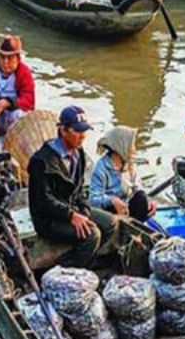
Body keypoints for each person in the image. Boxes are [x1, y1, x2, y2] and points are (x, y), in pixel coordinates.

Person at [28, 106, 118, 269]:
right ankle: (73, 270)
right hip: (49, 219)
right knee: (92, 235)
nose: (82, 136)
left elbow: (79, 189)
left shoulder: (78, 153)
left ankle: (83, 259)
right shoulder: (41, 161)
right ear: (63, 130)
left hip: (71, 209)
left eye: (84, 131)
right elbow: (43, 201)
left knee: (110, 223)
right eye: (77, 131)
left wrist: (83, 210)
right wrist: (71, 216)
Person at [90, 126, 155, 222]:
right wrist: (112, 200)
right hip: (109, 213)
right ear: (121, 146)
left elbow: (137, 188)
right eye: (131, 146)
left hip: (125, 208)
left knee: (142, 198)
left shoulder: (128, 164)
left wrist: (148, 200)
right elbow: (93, 200)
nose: (134, 150)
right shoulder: (101, 168)